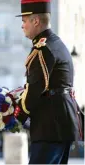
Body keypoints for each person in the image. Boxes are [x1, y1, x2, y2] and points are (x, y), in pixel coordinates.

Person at [14, 0, 83, 164]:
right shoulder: (55, 43)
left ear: (35, 21)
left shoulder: (43, 48)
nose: (22, 26)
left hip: (50, 125)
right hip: (60, 121)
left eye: (24, 21)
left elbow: (34, 90)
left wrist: (17, 114)